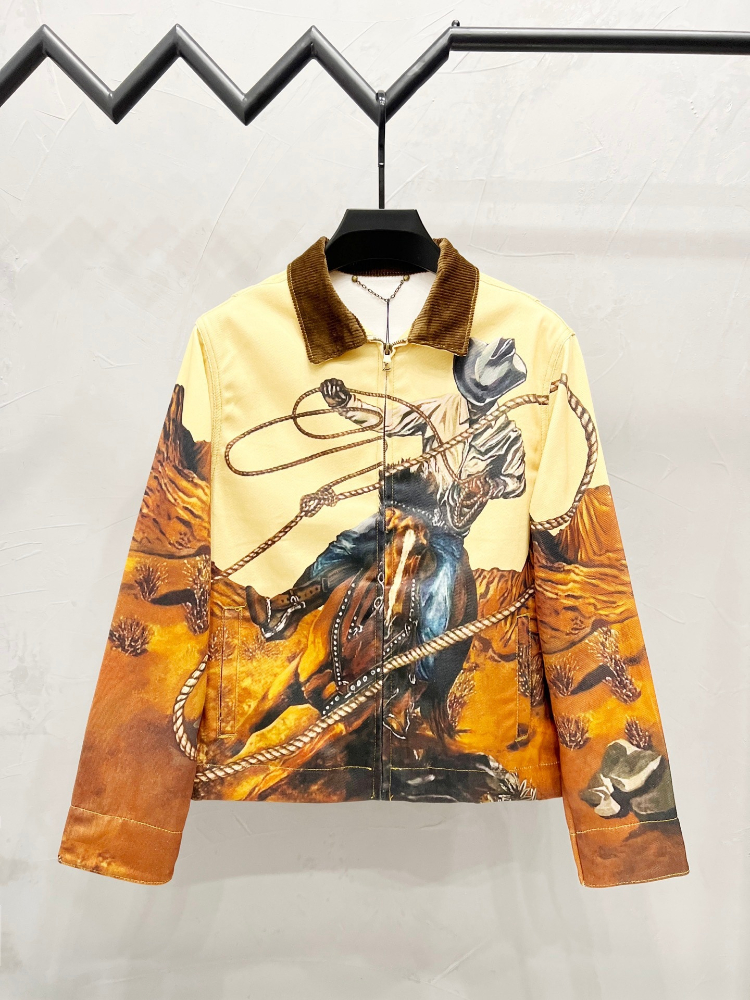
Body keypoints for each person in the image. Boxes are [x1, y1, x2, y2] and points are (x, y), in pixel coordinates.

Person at [245, 336, 529, 663]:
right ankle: (285, 609)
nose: (476, 402)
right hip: (411, 509)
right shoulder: (443, 408)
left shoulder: (508, 437)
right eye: (474, 392)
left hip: (447, 532)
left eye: (484, 395)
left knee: (439, 592)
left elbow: (516, 482)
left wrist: (492, 484)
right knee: (349, 544)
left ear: (497, 393)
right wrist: (346, 404)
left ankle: (419, 673)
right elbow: (389, 420)